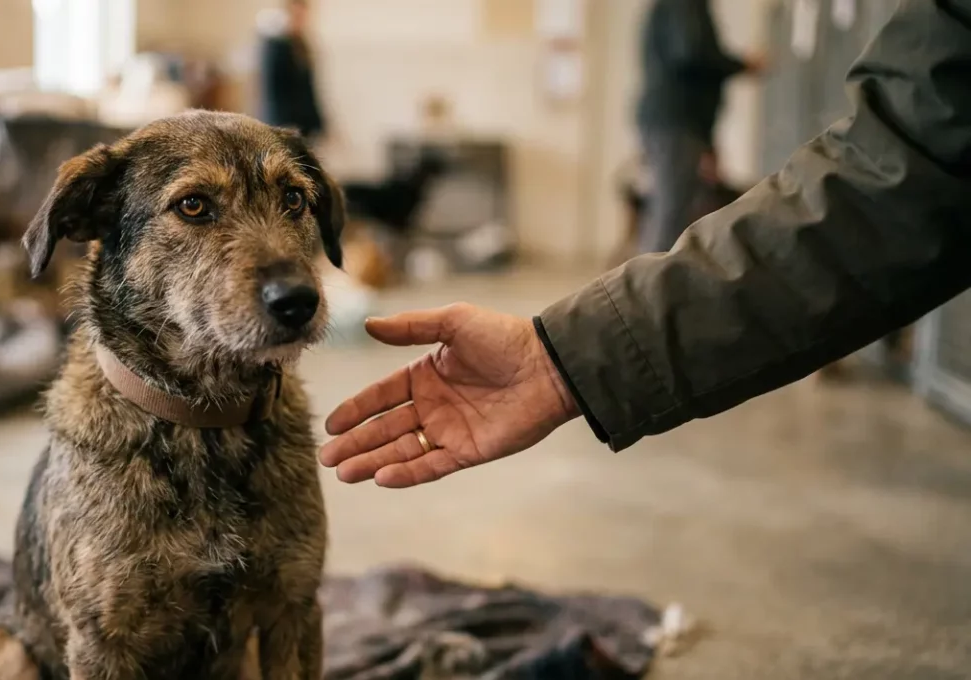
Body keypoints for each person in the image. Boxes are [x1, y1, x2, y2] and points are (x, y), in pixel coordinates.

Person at [319, 0, 971, 489]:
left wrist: (569, 357)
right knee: (665, 220)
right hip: (678, 125)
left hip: (675, 125)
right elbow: (891, 177)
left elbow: (889, 175)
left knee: (665, 214)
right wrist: (564, 359)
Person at [635, 0, 762, 254]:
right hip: (676, 121)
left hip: (678, 122)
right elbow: (691, 52)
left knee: (674, 208)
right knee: (671, 212)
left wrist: (707, 140)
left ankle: (654, 285)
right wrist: (743, 65)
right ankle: (649, 291)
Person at [255, 0, 325, 140]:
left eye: (303, 16)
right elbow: (271, 90)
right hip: (282, 123)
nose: (300, 20)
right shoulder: (275, 46)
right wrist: (280, 125)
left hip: (304, 123)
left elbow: (308, 89)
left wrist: (318, 122)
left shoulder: (302, 45)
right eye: (296, 15)